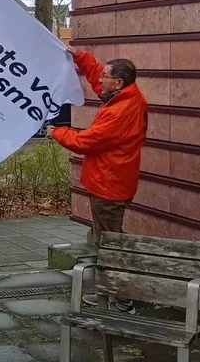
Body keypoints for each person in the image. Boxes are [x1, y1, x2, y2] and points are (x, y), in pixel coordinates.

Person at [46, 47, 147, 314]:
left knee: (111, 242)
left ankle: (122, 300)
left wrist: (57, 132)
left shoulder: (120, 111)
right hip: (108, 181)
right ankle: (111, 294)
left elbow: (87, 142)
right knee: (107, 239)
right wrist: (79, 55)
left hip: (109, 186)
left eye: (105, 77)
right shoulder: (122, 97)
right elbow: (94, 74)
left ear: (118, 82)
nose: (100, 80)